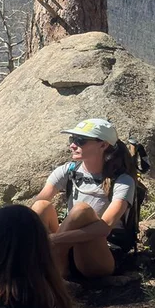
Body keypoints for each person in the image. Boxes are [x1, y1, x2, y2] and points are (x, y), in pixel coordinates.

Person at [30, 118, 140, 281]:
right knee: (41, 206)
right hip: (69, 247)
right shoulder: (68, 171)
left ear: (103, 145)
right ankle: (51, 267)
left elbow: (104, 228)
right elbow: (37, 206)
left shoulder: (123, 181)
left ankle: (51, 272)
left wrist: (54, 240)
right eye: (72, 139)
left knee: (82, 211)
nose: (73, 145)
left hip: (101, 254)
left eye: (80, 141)